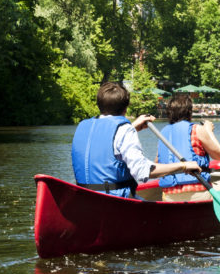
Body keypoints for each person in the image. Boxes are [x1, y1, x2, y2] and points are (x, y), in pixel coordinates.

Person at [71, 81, 202, 198]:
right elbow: (143, 171)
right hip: (114, 202)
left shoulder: (83, 126)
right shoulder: (124, 130)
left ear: (99, 104)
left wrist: (133, 127)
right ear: (125, 108)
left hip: (84, 199)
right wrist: (183, 165)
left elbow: (104, 142)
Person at [157, 93, 220, 202]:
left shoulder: (162, 133)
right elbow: (219, 155)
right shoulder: (197, 129)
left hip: (170, 196)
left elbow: (157, 162)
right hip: (199, 193)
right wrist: (208, 131)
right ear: (189, 112)